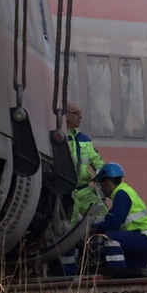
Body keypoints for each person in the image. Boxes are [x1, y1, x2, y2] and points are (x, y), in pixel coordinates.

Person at [88, 163, 147, 276]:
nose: (101, 189)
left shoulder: (122, 194)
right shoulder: (125, 193)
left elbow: (114, 223)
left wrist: (94, 230)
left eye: (101, 184)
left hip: (144, 238)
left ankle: (118, 278)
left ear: (106, 182)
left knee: (110, 237)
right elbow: (110, 218)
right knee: (135, 273)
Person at [59, 102, 105, 276]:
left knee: (102, 220)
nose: (80, 116)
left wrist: (101, 171)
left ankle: (95, 263)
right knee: (67, 233)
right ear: (66, 116)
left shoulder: (84, 140)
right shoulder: (60, 137)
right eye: (75, 113)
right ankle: (68, 274)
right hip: (67, 193)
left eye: (80, 112)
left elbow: (97, 160)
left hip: (85, 191)